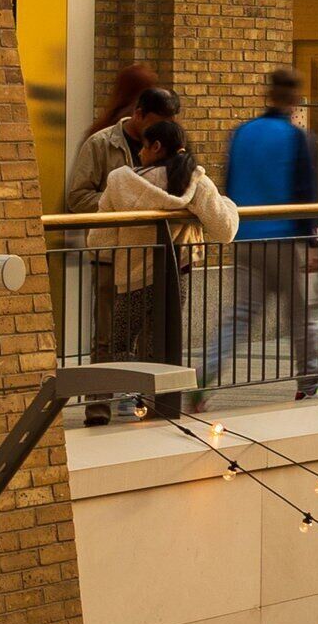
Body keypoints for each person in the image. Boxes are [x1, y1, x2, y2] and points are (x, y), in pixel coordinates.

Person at [95, 118, 238, 409]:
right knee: (163, 343)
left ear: (156, 147)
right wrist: (228, 205)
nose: (140, 154)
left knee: (121, 341)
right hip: (175, 276)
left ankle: (122, 399)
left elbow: (99, 237)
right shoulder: (193, 181)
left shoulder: (122, 181)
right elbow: (225, 231)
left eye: (143, 148)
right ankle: (157, 403)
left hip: (130, 276)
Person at [208, 68, 318, 398]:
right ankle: (309, 385)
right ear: (295, 100)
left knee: (239, 316)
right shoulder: (297, 138)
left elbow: (228, 186)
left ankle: (204, 376)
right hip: (287, 239)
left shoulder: (242, 133)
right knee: (302, 316)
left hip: (246, 237)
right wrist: (312, 242)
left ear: (267, 94)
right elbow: (306, 192)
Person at [64, 69, 176, 214]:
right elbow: (78, 199)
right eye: (154, 126)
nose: (159, 133)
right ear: (138, 114)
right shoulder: (100, 143)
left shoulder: (169, 141)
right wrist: (128, 200)